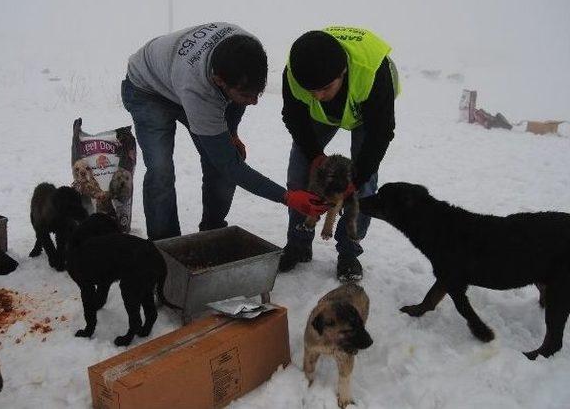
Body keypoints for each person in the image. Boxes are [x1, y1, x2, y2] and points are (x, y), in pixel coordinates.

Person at [121, 22, 328, 240]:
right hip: (147, 89)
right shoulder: (198, 90)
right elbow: (229, 165)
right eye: (247, 95)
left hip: (178, 75)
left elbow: (236, 102)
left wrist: (231, 132)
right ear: (219, 80)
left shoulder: (249, 50)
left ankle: (213, 233)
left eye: (258, 93)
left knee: (223, 159)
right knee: (161, 169)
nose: (254, 102)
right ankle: (165, 245)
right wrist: (287, 197)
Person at [279, 26, 400, 282]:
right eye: (311, 90)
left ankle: (349, 253)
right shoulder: (295, 71)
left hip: (367, 113)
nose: (317, 96)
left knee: (363, 189)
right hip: (321, 118)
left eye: (324, 88)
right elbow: (293, 117)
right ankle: (298, 243)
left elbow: (381, 133)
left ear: (342, 71)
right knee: (299, 176)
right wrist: (315, 156)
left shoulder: (372, 73)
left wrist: (354, 181)